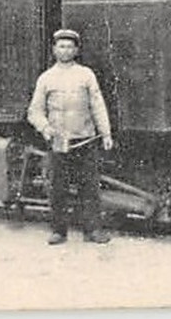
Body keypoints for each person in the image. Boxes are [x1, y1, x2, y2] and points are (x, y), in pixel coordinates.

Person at [26, 29, 114, 245]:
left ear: (76, 50)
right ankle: (58, 231)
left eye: (69, 46)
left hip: (85, 139)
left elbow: (97, 105)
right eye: (61, 46)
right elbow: (34, 111)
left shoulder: (86, 75)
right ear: (54, 50)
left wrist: (106, 132)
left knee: (90, 187)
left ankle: (93, 231)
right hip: (59, 141)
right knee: (58, 188)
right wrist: (45, 128)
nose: (65, 50)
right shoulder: (46, 78)